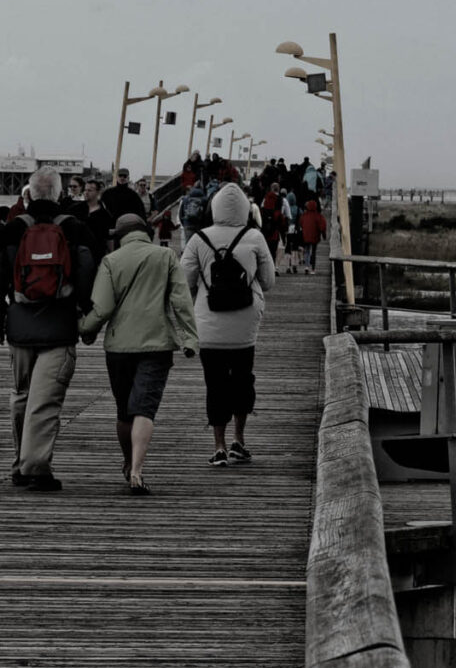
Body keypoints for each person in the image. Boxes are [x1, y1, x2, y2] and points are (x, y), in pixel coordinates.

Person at [81, 212, 198, 492]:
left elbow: (103, 307)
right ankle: (137, 470)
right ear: (147, 232)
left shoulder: (111, 261)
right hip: (156, 345)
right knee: (144, 408)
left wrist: (85, 330)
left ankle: (127, 460)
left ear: (120, 236)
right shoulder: (165, 257)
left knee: (124, 411)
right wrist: (190, 339)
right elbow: (181, 301)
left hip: (119, 347)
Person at [5, 168, 95, 491]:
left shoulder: (14, 228)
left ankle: (19, 463)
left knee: (21, 396)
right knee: (45, 399)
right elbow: (87, 266)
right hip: (59, 324)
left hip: (19, 326)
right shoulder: (73, 228)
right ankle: (35, 467)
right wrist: (85, 309)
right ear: (59, 194)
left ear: (29, 193)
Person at [179, 179, 275, 465]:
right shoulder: (255, 237)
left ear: (215, 207)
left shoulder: (199, 239)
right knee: (243, 382)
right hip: (245, 327)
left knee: (215, 384)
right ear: (245, 208)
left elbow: (185, 282)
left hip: (208, 325)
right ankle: (239, 440)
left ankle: (218, 446)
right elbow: (268, 282)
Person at [298, 191, 327, 273]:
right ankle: (313, 269)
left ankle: (306, 266)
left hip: (306, 236)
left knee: (306, 250)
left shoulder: (304, 216)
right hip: (315, 237)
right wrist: (324, 235)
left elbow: (300, 224)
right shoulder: (318, 216)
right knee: (313, 252)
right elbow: (323, 226)